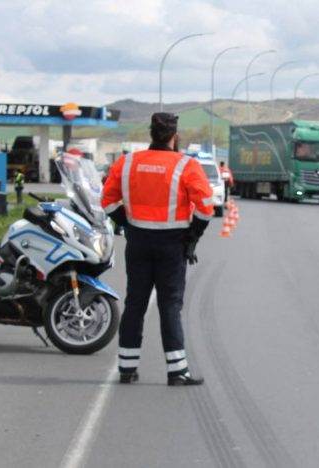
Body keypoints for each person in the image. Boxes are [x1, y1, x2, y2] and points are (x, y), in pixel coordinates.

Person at [102, 112, 214, 386]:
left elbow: (107, 201)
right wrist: (193, 236)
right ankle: (177, 371)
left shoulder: (127, 163)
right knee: (170, 306)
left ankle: (127, 369)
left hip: (138, 242)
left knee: (135, 303)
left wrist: (127, 225)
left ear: (151, 134)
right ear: (174, 136)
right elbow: (206, 207)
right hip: (172, 245)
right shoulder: (186, 166)